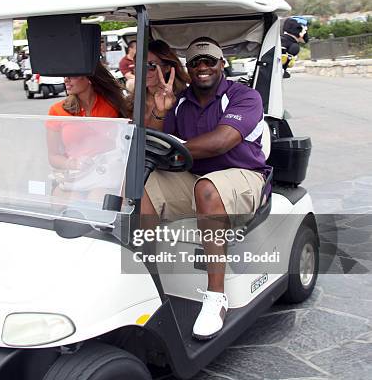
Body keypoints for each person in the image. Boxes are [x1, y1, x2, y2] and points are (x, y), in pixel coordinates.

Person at [141, 37, 271, 340]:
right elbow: (154, 140)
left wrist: (176, 149)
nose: (203, 67)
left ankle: (216, 297)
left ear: (221, 65)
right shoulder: (180, 101)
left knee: (208, 189)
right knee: (143, 184)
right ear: (188, 67)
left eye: (209, 61)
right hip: (196, 178)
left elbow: (222, 141)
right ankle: (144, 280)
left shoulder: (244, 96)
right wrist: (160, 110)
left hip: (244, 176)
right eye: (196, 62)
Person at [47, 62, 128, 199]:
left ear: (89, 78)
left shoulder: (113, 106)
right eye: (65, 75)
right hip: (75, 174)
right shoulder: (57, 110)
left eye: (72, 75)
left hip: (107, 173)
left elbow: (127, 140)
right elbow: (53, 156)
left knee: (97, 198)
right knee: (67, 201)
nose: (66, 79)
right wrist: (71, 163)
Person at [125, 39, 189, 128]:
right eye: (139, 65)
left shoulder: (183, 101)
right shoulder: (129, 102)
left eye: (151, 66)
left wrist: (161, 112)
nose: (144, 71)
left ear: (167, 68)